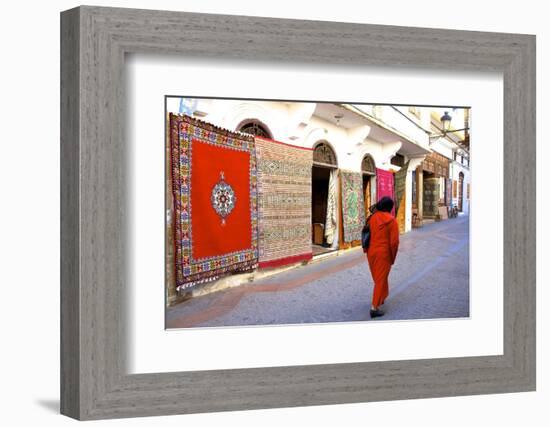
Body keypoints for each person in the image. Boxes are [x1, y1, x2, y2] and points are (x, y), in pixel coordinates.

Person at [364, 196, 399, 319]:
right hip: (383, 254)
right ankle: (374, 308)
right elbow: (394, 243)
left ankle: (381, 298)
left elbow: (365, 233)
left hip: (371, 252)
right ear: (390, 208)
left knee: (378, 278)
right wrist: (392, 257)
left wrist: (365, 250)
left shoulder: (372, 218)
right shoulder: (391, 221)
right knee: (380, 280)